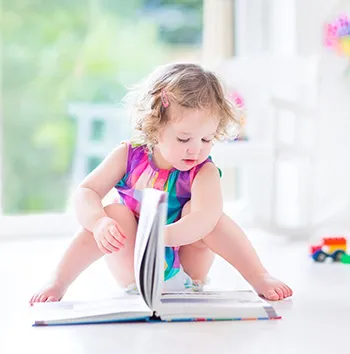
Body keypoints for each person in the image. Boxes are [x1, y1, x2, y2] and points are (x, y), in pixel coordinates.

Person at [30, 63, 292, 304]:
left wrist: (159, 237)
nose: (195, 150)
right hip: (134, 268)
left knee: (209, 217)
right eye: (184, 139)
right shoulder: (128, 155)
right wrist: (99, 223)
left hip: (188, 270)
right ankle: (59, 280)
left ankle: (259, 275)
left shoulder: (204, 171)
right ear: (155, 129)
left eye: (206, 139)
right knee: (114, 213)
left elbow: (204, 219)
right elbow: (86, 191)